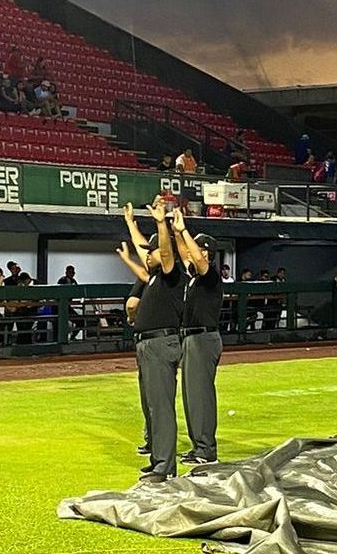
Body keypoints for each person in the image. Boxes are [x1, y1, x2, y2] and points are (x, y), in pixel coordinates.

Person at [122, 197, 185, 483]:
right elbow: (144, 250)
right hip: (149, 345)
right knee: (152, 406)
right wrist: (130, 224)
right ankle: (158, 460)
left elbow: (165, 252)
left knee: (161, 407)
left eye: (154, 251)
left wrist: (161, 224)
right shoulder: (155, 276)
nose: (149, 256)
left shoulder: (172, 275)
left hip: (161, 344)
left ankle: (165, 466)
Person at [170, 210, 222, 466]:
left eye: (197, 249)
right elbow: (185, 254)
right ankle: (198, 446)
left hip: (203, 338)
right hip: (191, 339)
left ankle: (206, 450)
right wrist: (177, 232)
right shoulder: (194, 278)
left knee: (200, 395)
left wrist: (184, 231)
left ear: (206, 253)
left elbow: (199, 261)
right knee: (191, 396)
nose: (191, 253)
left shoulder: (210, 276)